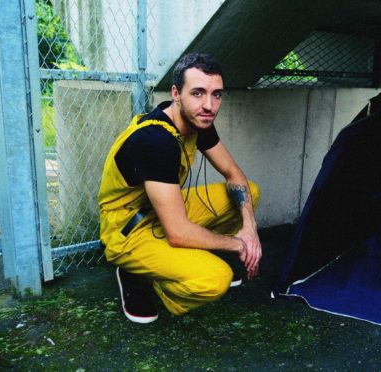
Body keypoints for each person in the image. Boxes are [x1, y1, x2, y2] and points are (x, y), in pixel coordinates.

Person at [98, 53, 261, 323]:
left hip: (159, 211)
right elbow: (178, 233)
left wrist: (249, 228)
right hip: (127, 229)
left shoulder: (197, 119)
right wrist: (238, 244)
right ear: (176, 93)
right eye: (198, 93)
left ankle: (170, 263)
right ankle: (145, 274)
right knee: (216, 278)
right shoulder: (156, 141)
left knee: (248, 194)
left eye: (216, 94)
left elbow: (234, 174)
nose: (209, 105)